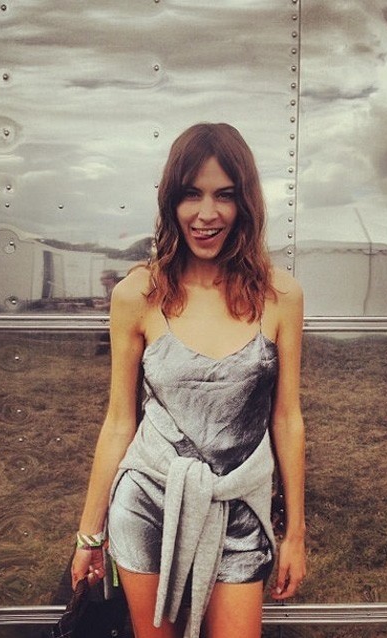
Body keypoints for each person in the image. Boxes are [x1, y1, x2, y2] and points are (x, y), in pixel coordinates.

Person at [71, 123, 306, 638]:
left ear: (245, 203)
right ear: (171, 201)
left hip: (238, 508)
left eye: (225, 195)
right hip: (148, 505)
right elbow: (120, 421)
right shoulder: (138, 294)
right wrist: (90, 534)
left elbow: (287, 418)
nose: (206, 213)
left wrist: (295, 533)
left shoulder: (281, 296)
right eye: (191, 194)